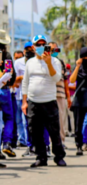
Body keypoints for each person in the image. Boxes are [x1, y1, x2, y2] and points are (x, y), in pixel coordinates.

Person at [21, 35, 66, 167]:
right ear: (34, 47)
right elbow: (25, 83)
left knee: (54, 131)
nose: (41, 47)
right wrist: (24, 102)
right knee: (35, 131)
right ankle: (41, 157)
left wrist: (48, 63)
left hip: (49, 101)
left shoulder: (55, 61)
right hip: (33, 102)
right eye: (38, 45)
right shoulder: (30, 62)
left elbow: (57, 78)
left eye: (43, 45)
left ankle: (59, 157)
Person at [48, 42, 71, 147]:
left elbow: (65, 80)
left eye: (56, 50)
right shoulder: (45, 61)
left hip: (60, 94)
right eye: (52, 49)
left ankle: (61, 141)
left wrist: (68, 96)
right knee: (49, 119)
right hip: (48, 93)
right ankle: (49, 142)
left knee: (61, 118)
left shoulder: (60, 62)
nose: (54, 52)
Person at [0, 30, 17, 159]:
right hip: (4, 90)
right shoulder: (6, 55)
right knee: (9, 118)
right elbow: (11, 75)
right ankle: (6, 143)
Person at [12, 50, 27, 148]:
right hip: (14, 95)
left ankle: (24, 140)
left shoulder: (7, 60)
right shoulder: (12, 62)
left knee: (24, 120)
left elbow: (10, 78)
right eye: (16, 58)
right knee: (16, 120)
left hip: (23, 96)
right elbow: (12, 81)